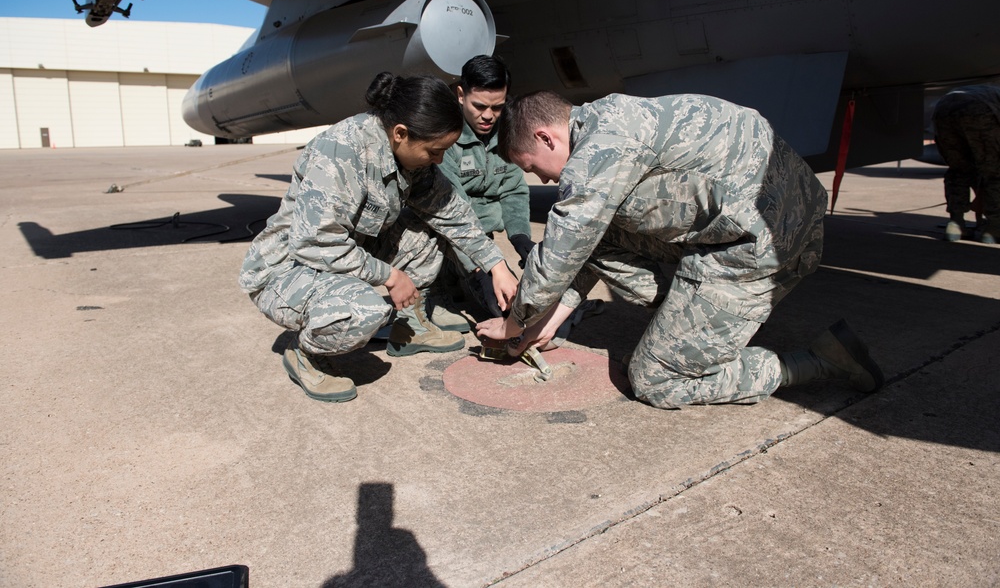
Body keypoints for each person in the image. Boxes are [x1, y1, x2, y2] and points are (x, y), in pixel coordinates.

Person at [477, 90, 884, 410]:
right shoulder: (612, 116)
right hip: (775, 218)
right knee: (601, 224)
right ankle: (690, 320)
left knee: (656, 379)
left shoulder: (598, 151)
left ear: (545, 137)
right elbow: (588, 241)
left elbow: (564, 245)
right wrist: (549, 319)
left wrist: (514, 324)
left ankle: (821, 361)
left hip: (760, 248)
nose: (543, 181)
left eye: (532, 168)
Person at [240, 73, 519, 403]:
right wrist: (390, 276)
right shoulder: (339, 153)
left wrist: (496, 266)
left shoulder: (407, 150)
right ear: (401, 133)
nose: (439, 160)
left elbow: (450, 211)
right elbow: (315, 242)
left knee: (430, 234)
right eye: (434, 151)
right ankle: (305, 353)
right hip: (288, 270)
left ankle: (407, 326)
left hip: (347, 252)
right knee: (365, 311)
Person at [431, 55, 533, 323]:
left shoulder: (505, 133)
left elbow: (513, 190)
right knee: (497, 298)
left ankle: (456, 276)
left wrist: (521, 237)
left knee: (515, 303)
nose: (488, 116)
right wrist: (483, 269)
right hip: (450, 230)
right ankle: (436, 287)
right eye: (480, 106)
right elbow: (454, 212)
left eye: (497, 107)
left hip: (482, 236)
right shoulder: (444, 135)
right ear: (461, 95)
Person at [931, 84, 1000, 244]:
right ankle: (995, 228)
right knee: (995, 173)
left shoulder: (990, 90)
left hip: (943, 108)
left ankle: (956, 224)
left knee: (958, 170)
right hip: (980, 109)